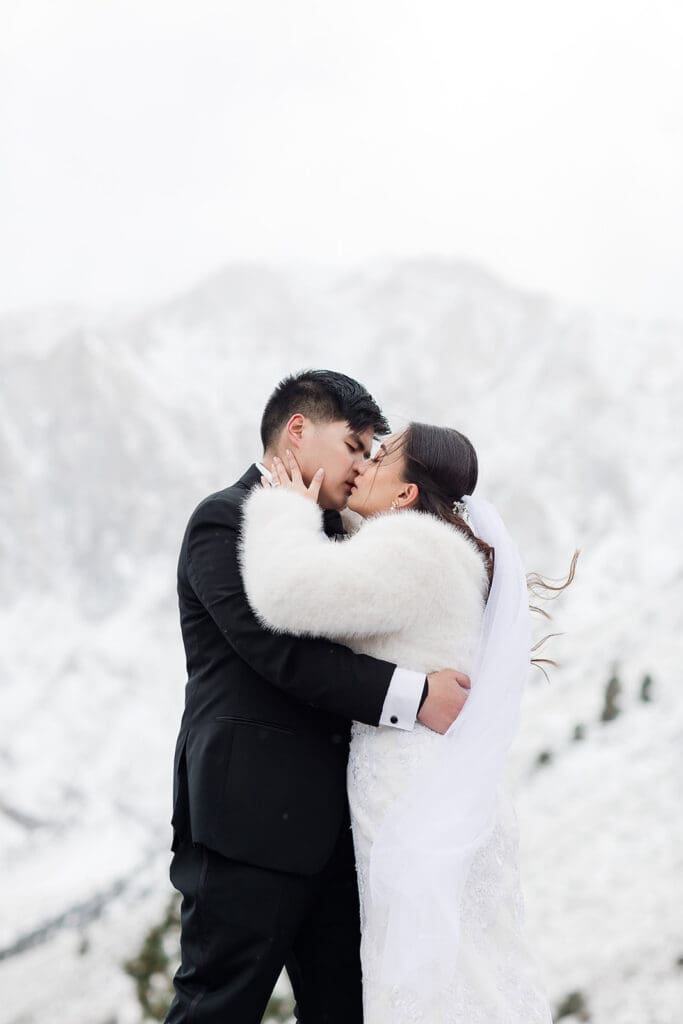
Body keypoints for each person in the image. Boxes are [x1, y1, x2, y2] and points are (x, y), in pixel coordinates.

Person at [165, 371, 472, 1024]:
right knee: (216, 1008)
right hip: (246, 828)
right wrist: (415, 695)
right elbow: (278, 653)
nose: (361, 465)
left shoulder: (345, 535)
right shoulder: (223, 520)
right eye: (354, 445)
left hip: (345, 839)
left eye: (371, 453)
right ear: (298, 431)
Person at [240, 423, 555, 1023]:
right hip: (432, 786)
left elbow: (287, 593)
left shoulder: (414, 547)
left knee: (438, 981)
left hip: (412, 792)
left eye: (381, 456)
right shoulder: (430, 546)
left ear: (407, 494)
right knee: (464, 971)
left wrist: (282, 507)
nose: (363, 464)